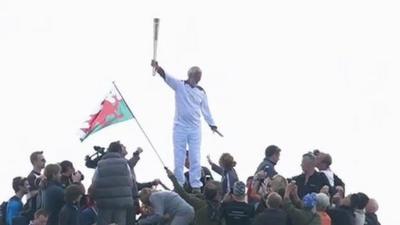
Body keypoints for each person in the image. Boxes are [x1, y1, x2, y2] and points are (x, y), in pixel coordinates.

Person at [151, 60, 220, 193]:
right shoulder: (179, 85)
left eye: (200, 78)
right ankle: (180, 184)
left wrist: (212, 124)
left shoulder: (201, 91)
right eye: (196, 77)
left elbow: (206, 109)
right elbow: (166, 76)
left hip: (195, 128)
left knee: (195, 156)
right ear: (190, 75)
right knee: (179, 156)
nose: (198, 80)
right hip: (180, 127)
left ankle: (195, 185)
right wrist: (157, 67)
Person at [92, 141, 134, 225]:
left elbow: (94, 182)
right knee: (120, 222)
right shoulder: (125, 164)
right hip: (121, 202)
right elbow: (131, 182)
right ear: (119, 150)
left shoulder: (100, 165)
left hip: (104, 202)